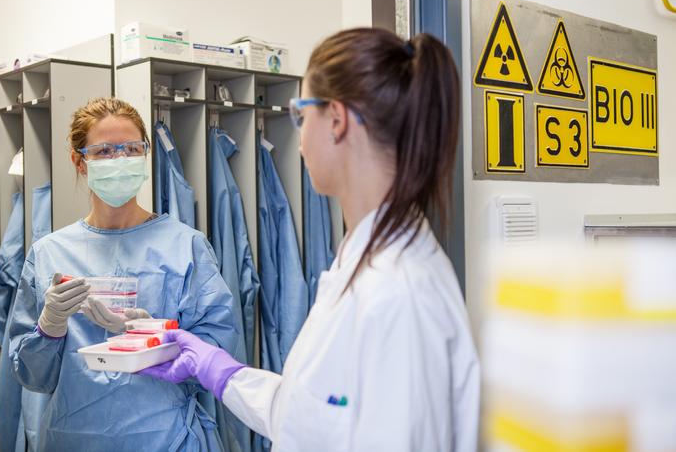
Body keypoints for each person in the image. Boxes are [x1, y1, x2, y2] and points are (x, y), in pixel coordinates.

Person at [141, 28, 480, 450]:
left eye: (301, 115)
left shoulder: (397, 291)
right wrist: (221, 372)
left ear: (335, 120)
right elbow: (315, 415)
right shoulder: (364, 263)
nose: (298, 140)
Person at [8, 97, 238, 451]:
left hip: (166, 439)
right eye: (103, 152)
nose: (120, 161)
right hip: (74, 438)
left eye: (131, 149)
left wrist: (154, 336)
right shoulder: (50, 253)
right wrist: (49, 328)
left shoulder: (185, 247)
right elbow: (31, 376)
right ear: (79, 162)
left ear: (145, 154)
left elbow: (216, 354)